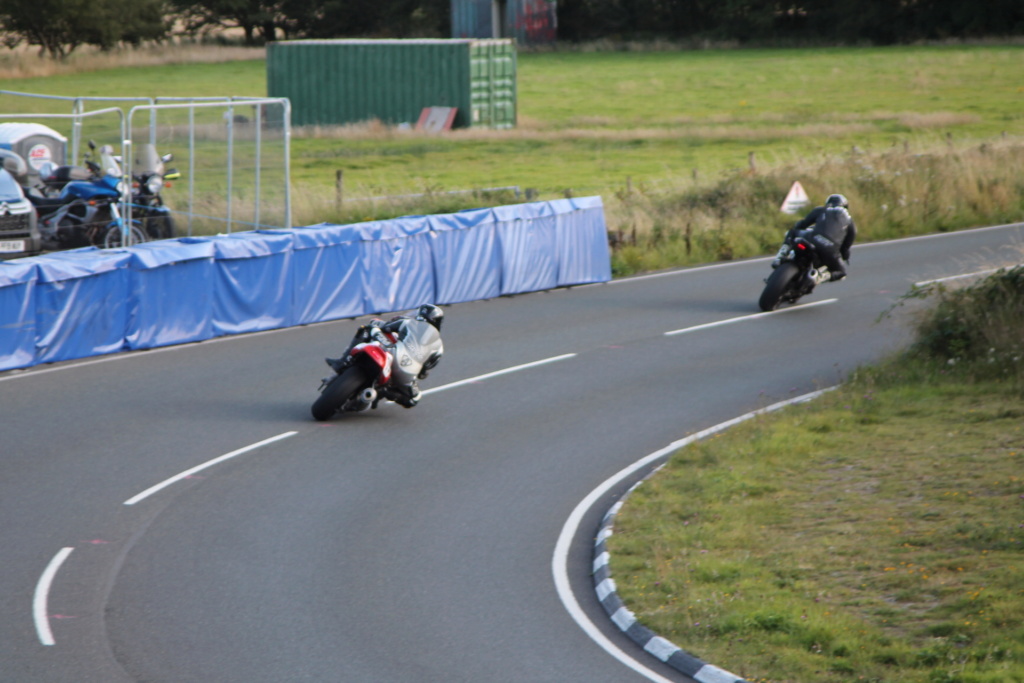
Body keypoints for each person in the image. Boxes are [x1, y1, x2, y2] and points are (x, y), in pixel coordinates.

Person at [326, 304, 445, 408]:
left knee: (367, 329)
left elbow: (386, 327)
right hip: (408, 373)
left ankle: (343, 362)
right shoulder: (439, 347)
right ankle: (383, 391)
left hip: (393, 352)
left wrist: (375, 323)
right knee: (413, 399)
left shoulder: (408, 322)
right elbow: (425, 371)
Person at [772, 193, 857, 281]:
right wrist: (844, 256)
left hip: (813, 240)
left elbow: (802, 224)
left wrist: (798, 228)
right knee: (842, 273)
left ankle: (780, 256)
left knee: (792, 232)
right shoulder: (850, 222)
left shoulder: (821, 210)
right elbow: (846, 248)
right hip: (830, 251)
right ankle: (821, 277)